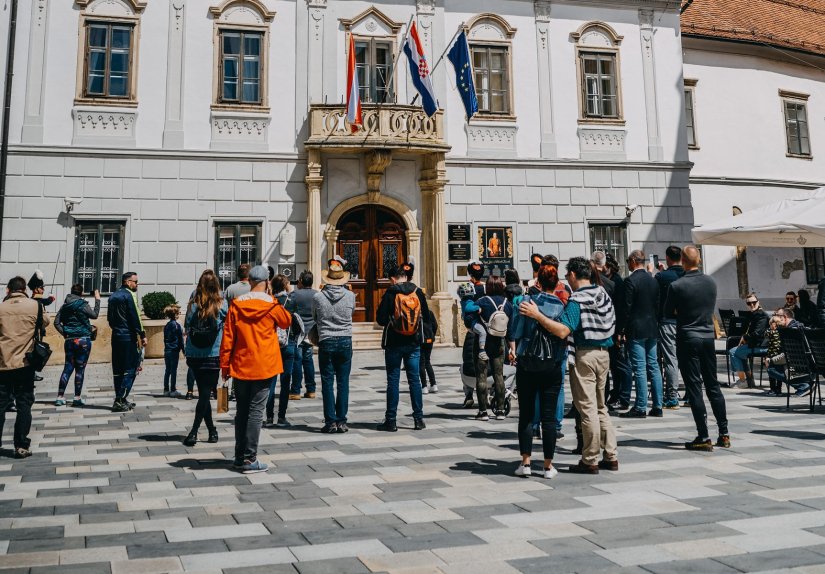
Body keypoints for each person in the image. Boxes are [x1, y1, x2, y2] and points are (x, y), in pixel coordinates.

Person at [521, 257, 618, 474]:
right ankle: (611, 455)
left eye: (567, 275)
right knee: (602, 406)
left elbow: (564, 330)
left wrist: (537, 315)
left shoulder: (578, 300)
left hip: (584, 355)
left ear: (573, 275)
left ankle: (590, 458)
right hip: (604, 354)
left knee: (587, 408)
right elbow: (613, 322)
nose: (566, 279)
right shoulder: (602, 294)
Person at [220, 265, 292, 473]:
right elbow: (286, 322)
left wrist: (225, 365)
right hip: (264, 364)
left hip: (241, 363)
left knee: (242, 411)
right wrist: (273, 297)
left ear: (249, 281)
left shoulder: (236, 305)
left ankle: (239, 455)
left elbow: (228, 337)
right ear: (267, 282)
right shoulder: (272, 304)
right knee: (256, 411)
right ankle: (250, 459)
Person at [664, 245, 730, 451]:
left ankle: (703, 435)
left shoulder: (677, 285)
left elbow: (668, 312)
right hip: (707, 336)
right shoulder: (711, 282)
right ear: (699, 260)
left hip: (687, 336)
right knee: (713, 385)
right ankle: (724, 432)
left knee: (694, 387)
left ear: (683, 261)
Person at [509, 262, 566, 479]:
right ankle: (548, 466)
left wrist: (515, 349)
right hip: (552, 365)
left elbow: (515, 331)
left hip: (527, 364)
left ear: (538, 282)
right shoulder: (561, 306)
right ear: (557, 282)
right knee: (549, 418)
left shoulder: (527, 302)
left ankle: (525, 463)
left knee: (526, 414)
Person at [0, 276, 50, 458]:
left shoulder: (1, 308)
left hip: (3, 364)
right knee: (24, 405)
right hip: (25, 364)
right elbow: (45, 322)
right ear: (24, 290)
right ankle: (21, 445)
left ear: (8, 290)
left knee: (0, 405)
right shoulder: (34, 305)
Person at [376, 264, 430, 432]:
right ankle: (419, 419)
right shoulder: (418, 292)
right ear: (406, 276)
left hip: (394, 343)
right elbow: (427, 316)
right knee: (414, 380)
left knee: (393, 380)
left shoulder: (391, 293)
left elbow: (381, 319)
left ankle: (391, 420)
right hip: (413, 343)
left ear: (393, 279)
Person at [183, 270, 228, 446]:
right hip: (213, 354)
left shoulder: (193, 305)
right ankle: (194, 431)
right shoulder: (221, 304)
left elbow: (187, 325)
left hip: (194, 353)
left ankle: (211, 430)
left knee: (203, 392)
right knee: (204, 394)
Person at [313, 257, 356, 433]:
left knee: (327, 382)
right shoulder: (351, 296)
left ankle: (330, 421)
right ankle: (342, 421)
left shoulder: (318, 297)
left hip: (326, 340)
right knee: (343, 382)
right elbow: (351, 313)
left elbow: (315, 317)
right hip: (345, 340)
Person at [620, 250, 664, 419]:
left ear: (633, 261)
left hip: (636, 328)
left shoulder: (630, 281)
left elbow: (626, 308)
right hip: (652, 327)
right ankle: (658, 405)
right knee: (653, 366)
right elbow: (658, 305)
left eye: (628, 261)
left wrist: (621, 330)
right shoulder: (653, 281)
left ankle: (640, 406)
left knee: (639, 368)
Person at [53, 284, 100, 406]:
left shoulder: (65, 306)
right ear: (81, 293)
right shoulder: (83, 305)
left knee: (67, 367)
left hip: (69, 340)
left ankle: (60, 397)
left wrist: (65, 332)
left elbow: (56, 322)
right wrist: (97, 299)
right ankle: (77, 397)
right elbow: (95, 315)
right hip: (83, 340)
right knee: (80, 369)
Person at [474, 275, 513, 421]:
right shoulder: (507, 303)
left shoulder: (481, 302)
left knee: (481, 375)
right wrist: (513, 349)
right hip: (500, 343)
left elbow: (470, 321)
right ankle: (501, 410)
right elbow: (511, 329)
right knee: (499, 375)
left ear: (488, 287)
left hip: (482, 344)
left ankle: (483, 411)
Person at [107, 272, 146, 413]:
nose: (137, 284)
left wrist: (117, 329)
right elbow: (135, 316)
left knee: (118, 370)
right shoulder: (130, 295)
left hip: (116, 336)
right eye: (135, 282)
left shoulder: (113, 296)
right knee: (131, 368)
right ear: (128, 282)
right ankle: (119, 399)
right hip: (128, 337)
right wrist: (142, 334)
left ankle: (122, 399)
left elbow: (110, 319)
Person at [265, 274, 298, 428]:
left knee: (270, 382)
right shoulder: (291, 301)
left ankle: (269, 417)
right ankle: (282, 417)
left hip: (271, 344)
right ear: (285, 286)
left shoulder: (269, 302)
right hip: (288, 343)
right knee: (285, 382)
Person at [655, 246, 685, 410]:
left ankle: (672, 397)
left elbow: (657, 299)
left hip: (668, 322)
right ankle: (690, 395)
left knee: (671, 359)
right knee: (687, 358)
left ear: (667, 258)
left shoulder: (661, 277)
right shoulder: (688, 274)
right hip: (687, 322)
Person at [764, 309, 811, 397]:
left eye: (777, 315)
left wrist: (771, 360)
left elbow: (788, 356)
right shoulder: (799, 326)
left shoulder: (790, 331)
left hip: (799, 366)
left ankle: (803, 385)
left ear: (784, 317)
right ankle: (805, 384)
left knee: (771, 368)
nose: (775, 317)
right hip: (809, 365)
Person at [728, 293, 769, 389]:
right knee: (739, 353)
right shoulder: (753, 314)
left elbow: (758, 333)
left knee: (733, 352)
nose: (752, 305)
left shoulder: (762, 315)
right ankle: (749, 381)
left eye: (754, 302)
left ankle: (743, 381)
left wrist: (745, 337)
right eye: (749, 303)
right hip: (754, 344)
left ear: (758, 302)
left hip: (761, 346)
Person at [289, 270, 318, 400]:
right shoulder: (317, 295)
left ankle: (295, 390)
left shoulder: (295, 294)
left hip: (298, 332)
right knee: (308, 361)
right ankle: (311, 389)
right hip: (311, 333)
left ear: (300, 280)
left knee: (297, 361)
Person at [27, 270, 54, 383]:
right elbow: (44, 301)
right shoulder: (35, 300)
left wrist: (49, 300)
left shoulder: (36, 299)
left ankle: (32, 373)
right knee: (34, 352)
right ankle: (31, 373)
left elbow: (44, 301)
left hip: (38, 331)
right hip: (35, 331)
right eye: (41, 288)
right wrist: (50, 299)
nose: (43, 289)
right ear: (36, 289)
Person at [162, 305, 184, 397]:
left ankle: (166, 389)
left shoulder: (167, 326)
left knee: (167, 370)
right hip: (174, 350)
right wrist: (183, 350)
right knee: (173, 370)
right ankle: (173, 389)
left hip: (167, 349)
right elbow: (180, 339)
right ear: (175, 314)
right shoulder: (177, 326)